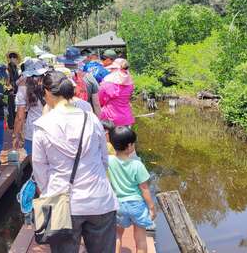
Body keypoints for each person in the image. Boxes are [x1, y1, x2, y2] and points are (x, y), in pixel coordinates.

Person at [32, 71, 118, 253]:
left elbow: (40, 170)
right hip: (99, 199)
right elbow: (104, 159)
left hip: (63, 202)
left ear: (47, 92)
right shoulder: (92, 119)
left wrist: (51, 190)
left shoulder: (42, 126)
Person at [107, 126, 155, 253]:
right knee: (140, 238)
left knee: (117, 235)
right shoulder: (137, 165)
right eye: (133, 143)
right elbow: (144, 188)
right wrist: (151, 207)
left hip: (119, 205)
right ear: (129, 146)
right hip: (137, 205)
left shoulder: (109, 161)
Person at [14, 58, 49, 154]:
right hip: (51, 130)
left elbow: (20, 117)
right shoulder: (50, 84)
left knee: (35, 164)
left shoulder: (22, 87)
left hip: (32, 131)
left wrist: (17, 135)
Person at [58, 47, 101, 116]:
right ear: (79, 61)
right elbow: (96, 104)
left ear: (64, 61)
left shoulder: (59, 78)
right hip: (86, 116)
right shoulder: (89, 77)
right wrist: (98, 120)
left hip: (66, 117)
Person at [98, 58, 135, 126]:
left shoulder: (107, 82)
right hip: (126, 118)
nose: (111, 70)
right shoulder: (129, 83)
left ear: (115, 69)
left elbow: (100, 101)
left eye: (112, 68)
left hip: (110, 119)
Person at [6, 51, 21, 132]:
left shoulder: (16, 68)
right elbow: (7, 80)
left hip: (17, 89)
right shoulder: (8, 68)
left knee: (15, 107)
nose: (12, 58)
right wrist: (10, 89)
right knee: (11, 108)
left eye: (14, 57)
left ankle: (15, 123)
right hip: (11, 90)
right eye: (11, 57)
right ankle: (11, 124)